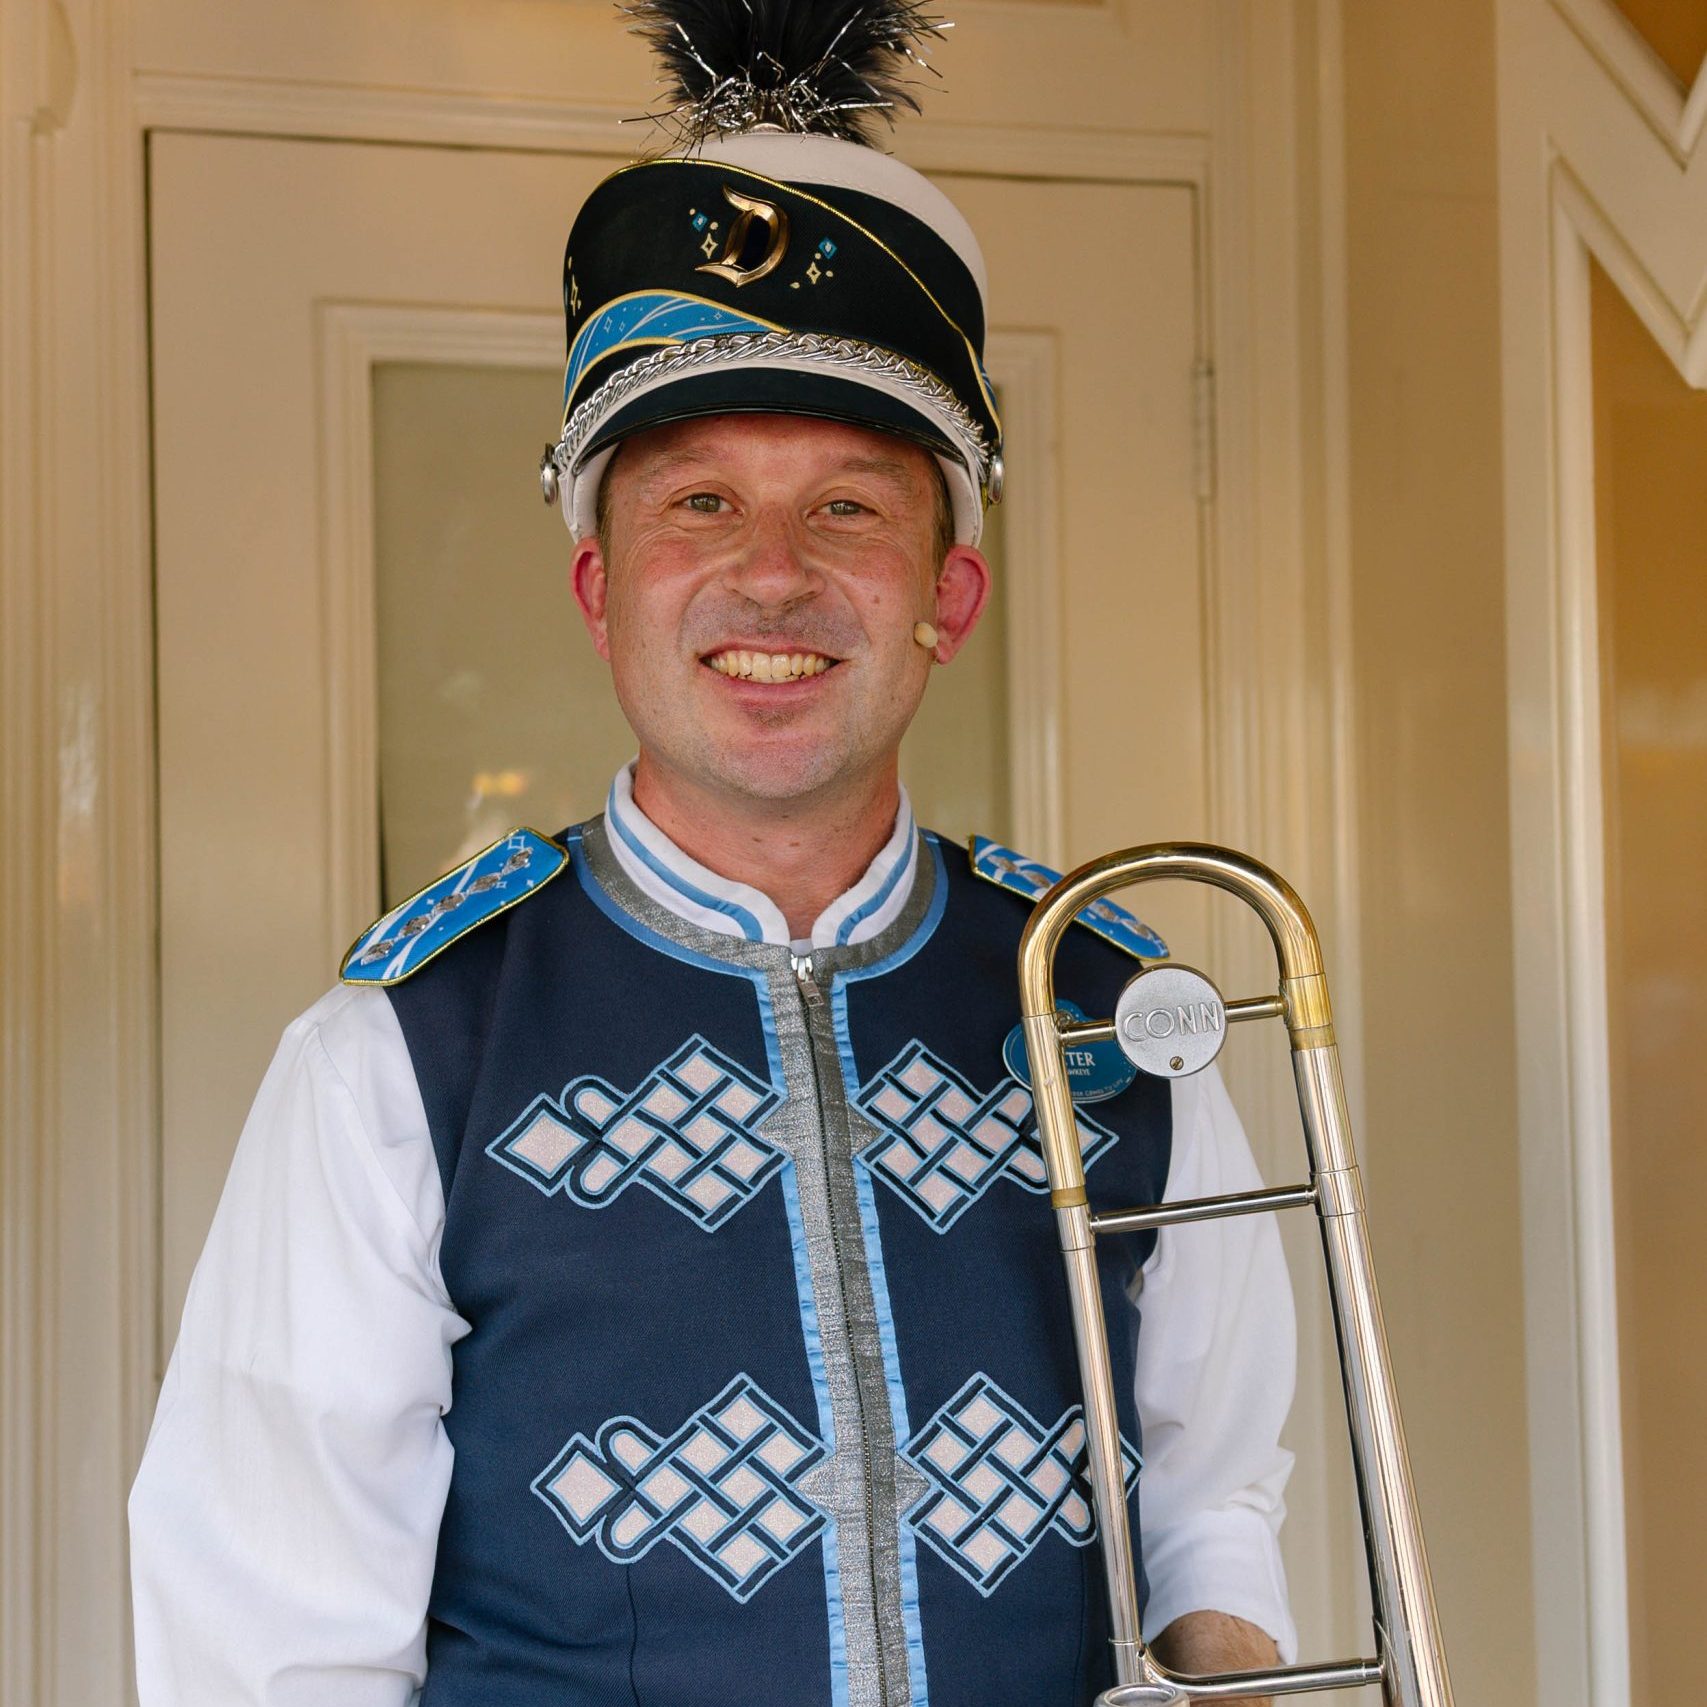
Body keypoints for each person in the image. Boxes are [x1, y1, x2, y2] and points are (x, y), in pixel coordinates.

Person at [129, 4, 1298, 1702]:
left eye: (848, 506)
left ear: (945, 595)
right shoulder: (397, 1056)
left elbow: (1209, 1498)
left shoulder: (1121, 1016)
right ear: (602, 590)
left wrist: (1233, 1659)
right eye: (695, 502)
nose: (771, 576)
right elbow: (269, 1644)